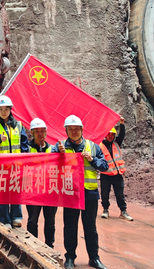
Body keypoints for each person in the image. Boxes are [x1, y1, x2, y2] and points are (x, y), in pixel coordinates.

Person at [52, 115, 109, 269]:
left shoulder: (93, 146)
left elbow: (105, 166)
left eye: (76, 129)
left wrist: (92, 159)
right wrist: (58, 154)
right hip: (70, 194)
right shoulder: (60, 146)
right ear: (66, 131)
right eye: (71, 129)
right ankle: (70, 257)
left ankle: (94, 258)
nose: (74, 131)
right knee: (70, 226)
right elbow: (49, 163)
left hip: (89, 193)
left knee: (90, 227)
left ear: (82, 130)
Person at [0, 95, 29, 228]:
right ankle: (4, 219)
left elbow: (24, 143)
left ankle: (16, 216)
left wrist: (25, 158)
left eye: (6, 109)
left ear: (10, 110)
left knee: (16, 191)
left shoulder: (18, 125)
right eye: (1, 109)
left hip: (16, 165)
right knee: (3, 193)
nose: (3, 112)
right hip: (1, 166)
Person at [26, 118, 57, 248]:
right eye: (37, 131)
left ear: (46, 132)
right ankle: (33, 246)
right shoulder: (26, 149)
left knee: (50, 221)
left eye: (42, 131)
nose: (40, 134)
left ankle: (49, 246)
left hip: (50, 191)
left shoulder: (53, 149)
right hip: (33, 191)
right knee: (32, 220)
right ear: (32, 133)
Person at [99, 117, 132, 221]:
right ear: (105, 135)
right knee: (105, 194)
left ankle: (123, 211)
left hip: (117, 175)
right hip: (106, 175)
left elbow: (122, 135)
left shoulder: (117, 143)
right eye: (108, 134)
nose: (110, 136)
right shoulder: (100, 146)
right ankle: (105, 210)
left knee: (120, 194)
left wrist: (121, 124)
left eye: (112, 134)